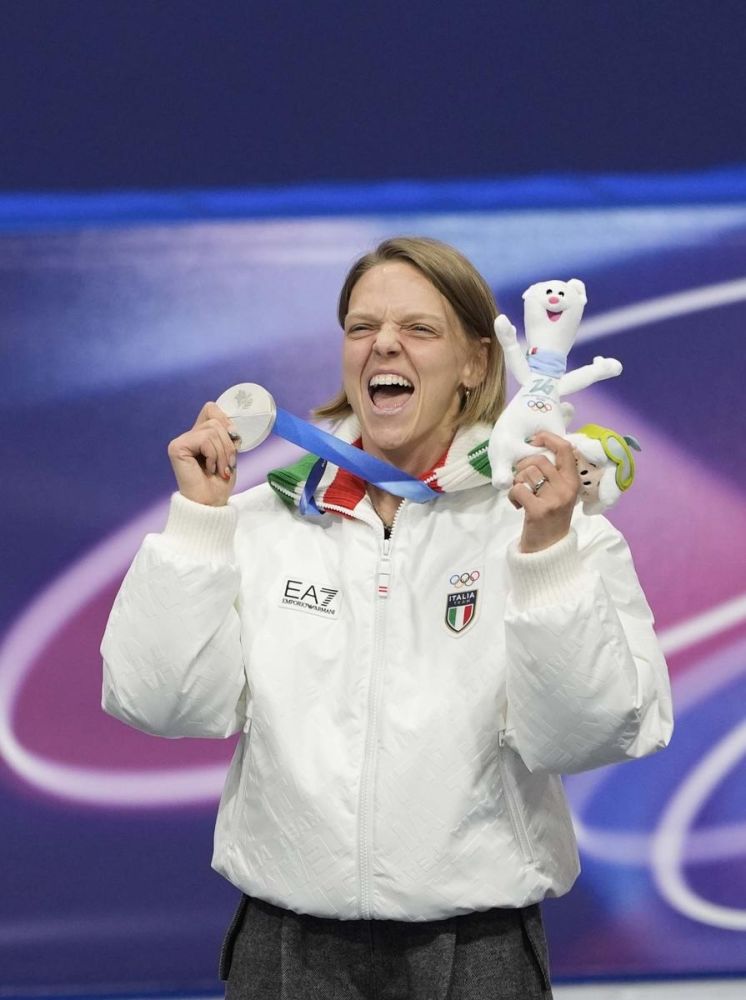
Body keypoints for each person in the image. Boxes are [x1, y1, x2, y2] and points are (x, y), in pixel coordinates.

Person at [101, 236, 673, 999]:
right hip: (285, 947)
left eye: (419, 328)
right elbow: (158, 703)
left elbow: (589, 734)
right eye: (362, 327)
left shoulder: (550, 528)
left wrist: (544, 555)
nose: (384, 345)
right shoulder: (262, 522)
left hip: (477, 951)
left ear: (475, 363)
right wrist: (200, 523)